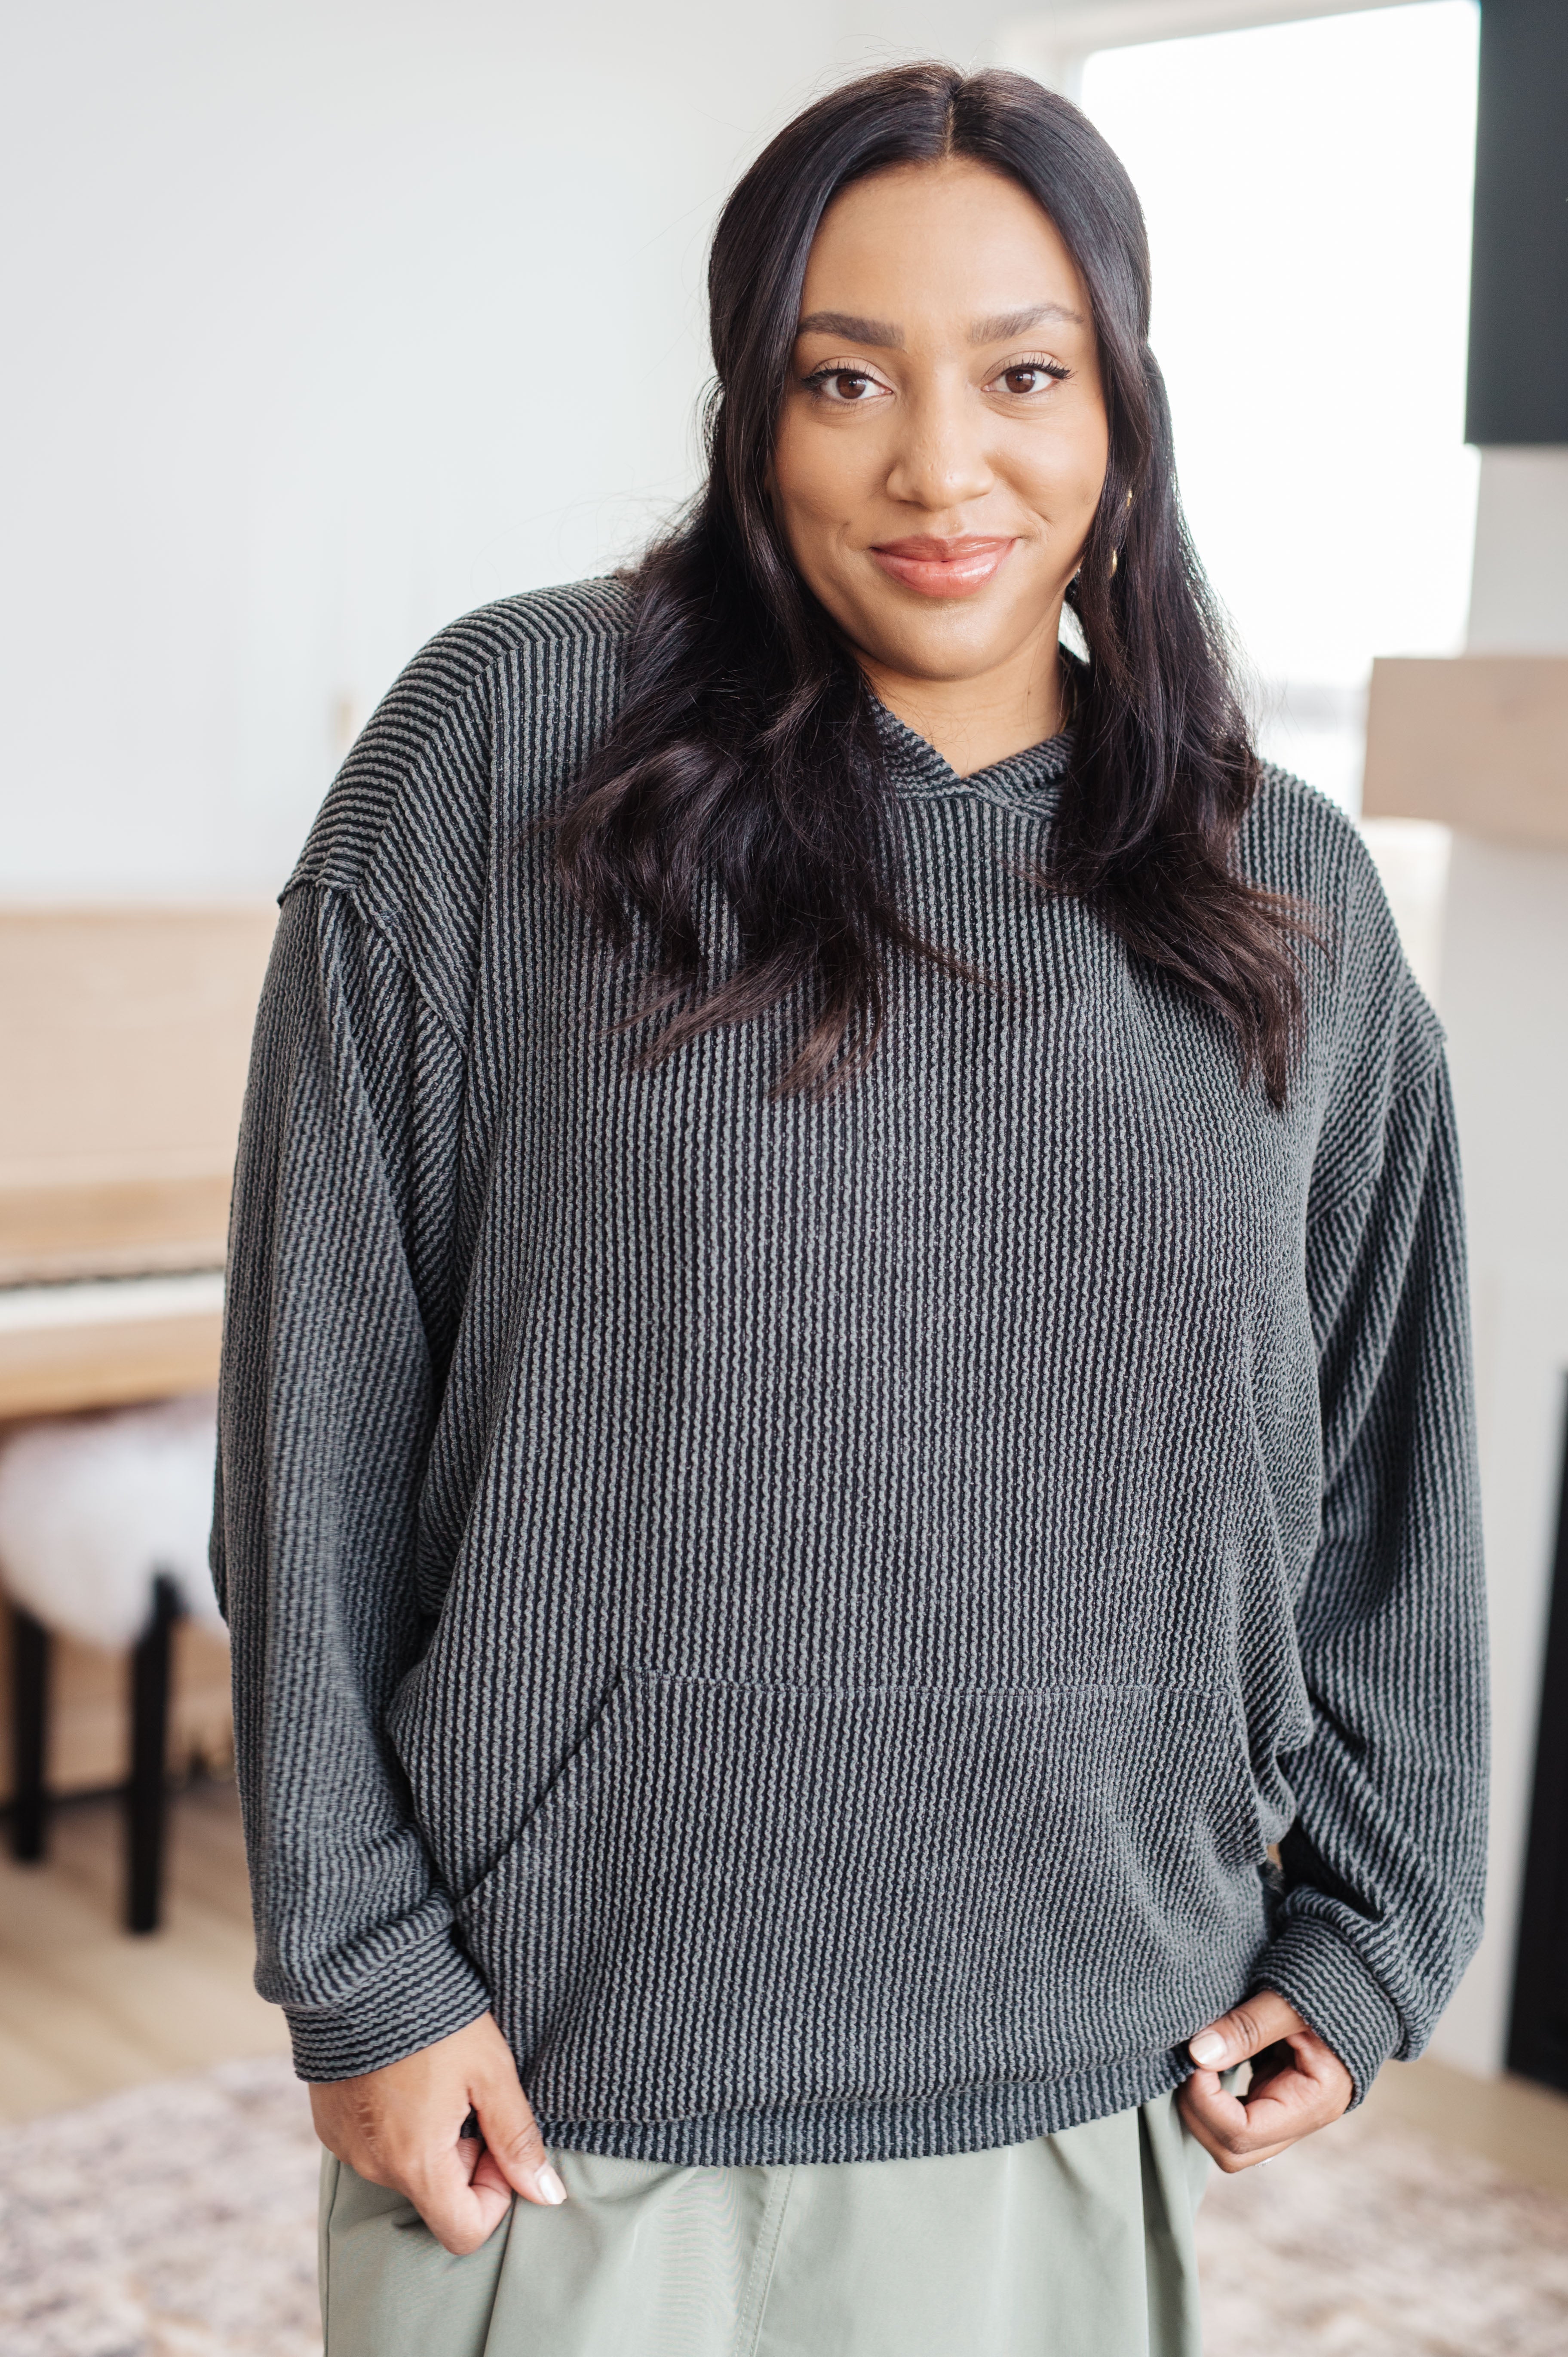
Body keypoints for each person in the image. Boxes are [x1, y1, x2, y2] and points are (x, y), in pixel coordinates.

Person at [213, 61, 1488, 2357]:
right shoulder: (512, 750)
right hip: (568, 2107)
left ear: (1122, 410)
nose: (940, 466)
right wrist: (356, 1964)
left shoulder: (1284, 887)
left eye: (1024, 375)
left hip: (1081, 2090)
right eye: (844, 379)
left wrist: (1379, 1921)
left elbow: (1387, 1453)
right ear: (748, 412)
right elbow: (318, 1397)